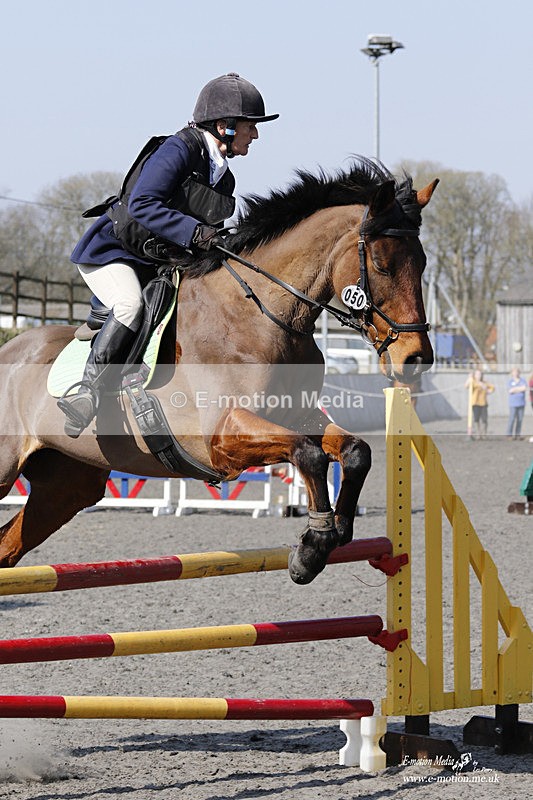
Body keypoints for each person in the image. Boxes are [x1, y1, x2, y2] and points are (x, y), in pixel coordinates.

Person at [57, 73, 279, 437]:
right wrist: (195, 232)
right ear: (224, 126)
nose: (254, 135)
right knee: (130, 305)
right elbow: (144, 203)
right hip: (114, 252)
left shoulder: (224, 179)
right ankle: (86, 391)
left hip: (159, 260)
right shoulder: (179, 149)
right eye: (250, 127)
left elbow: (204, 235)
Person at [465, 369, 495, 440]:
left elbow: (492, 388)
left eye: (480, 374)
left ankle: (484, 435)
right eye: (477, 374)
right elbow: (466, 386)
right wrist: (469, 378)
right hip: (475, 403)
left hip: (483, 403)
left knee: (484, 419)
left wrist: (487, 390)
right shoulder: (473, 382)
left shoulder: (484, 382)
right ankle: (478, 435)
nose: (479, 376)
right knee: (476, 419)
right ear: (474, 375)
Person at [506, 367, 527, 439]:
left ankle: (518, 434)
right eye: (514, 372)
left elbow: (524, 388)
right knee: (512, 419)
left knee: (520, 419)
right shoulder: (510, 381)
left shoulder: (522, 380)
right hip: (513, 404)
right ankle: (509, 434)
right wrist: (519, 389)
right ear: (512, 373)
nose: (515, 373)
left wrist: (515, 389)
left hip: (521, 403)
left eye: (517, 372)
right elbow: (510, 391)